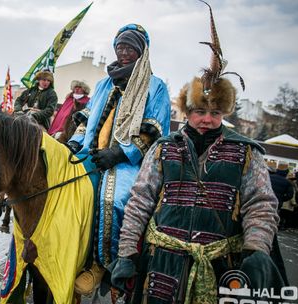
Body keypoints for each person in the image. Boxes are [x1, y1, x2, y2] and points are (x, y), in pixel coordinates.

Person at [110, 5, 284, 302]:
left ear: (224, 113)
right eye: (200, 111)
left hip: (219, 270)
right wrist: (127, 253)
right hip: (162, 266)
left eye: (215, 112)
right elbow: (139, 202)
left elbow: (262, 204)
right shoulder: (163, 148)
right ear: (188, 112)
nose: (207, 119)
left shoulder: (246, 153)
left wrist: (256, 249)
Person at [69, 23, 171, 296]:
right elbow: (86, 121)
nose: (124, 52)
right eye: (120, 47)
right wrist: (74, 143)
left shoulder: (156, 86)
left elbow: (154, 131)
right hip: (91, 154)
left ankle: (104, 265)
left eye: (130, 48)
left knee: (111, 200)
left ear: (141, 52)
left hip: (129, 161)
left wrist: (120, 153)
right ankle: (72, 256)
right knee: (67, 189)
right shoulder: (104, 82)